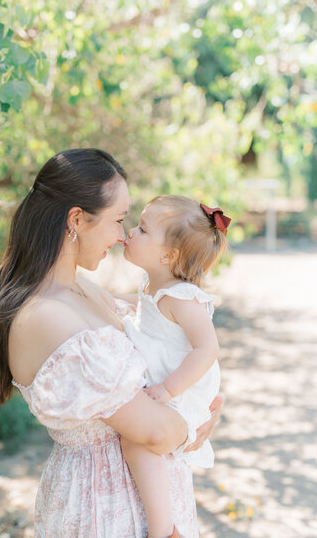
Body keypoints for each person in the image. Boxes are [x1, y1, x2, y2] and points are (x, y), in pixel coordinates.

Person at [0, 148, 223, 538]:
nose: (121, 234)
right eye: (118, 220)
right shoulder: (48, 314)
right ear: (76, 219)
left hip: (137, 495)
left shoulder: (79, 290)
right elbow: (153, 433)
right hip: (104, 510)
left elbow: (160, 325)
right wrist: (194, 426)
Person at [120, 195, 230, 538]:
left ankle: (163, 529)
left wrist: (169, 389)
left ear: (168, 255)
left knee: (138, 442)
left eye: (142, 228)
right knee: (138, 441)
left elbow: (207, 347)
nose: (130, 231)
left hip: (183, 390)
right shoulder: (156, 287)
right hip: (171, 384)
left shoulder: (183, 297)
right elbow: (143, 311)